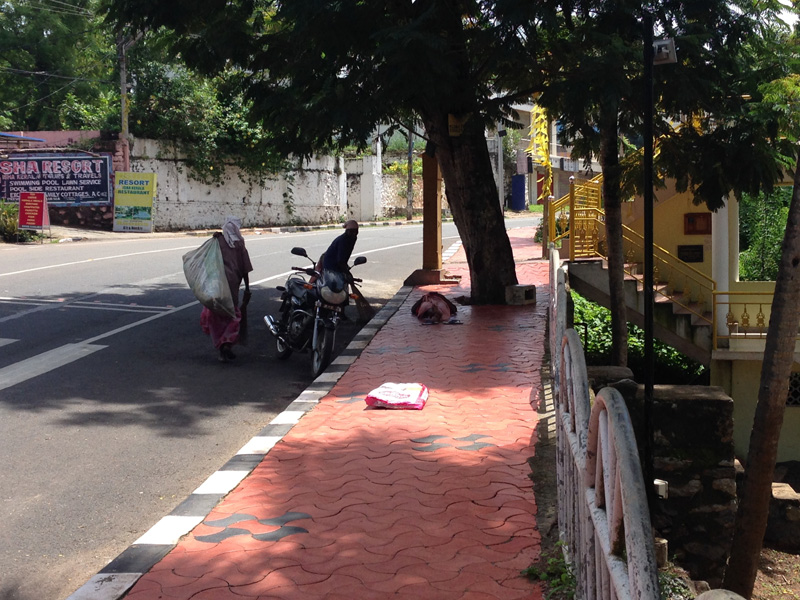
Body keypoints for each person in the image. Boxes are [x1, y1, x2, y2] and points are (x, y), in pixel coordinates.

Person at [200, 216, 253, 362]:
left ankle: (221, 344)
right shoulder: (240, 243)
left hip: (217, 284)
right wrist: (247, 288)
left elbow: (208, 260)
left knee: (217, 315)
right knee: (232, 314)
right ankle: (227, 344)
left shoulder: (218, 241)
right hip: (233, 285)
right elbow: (245, 268)